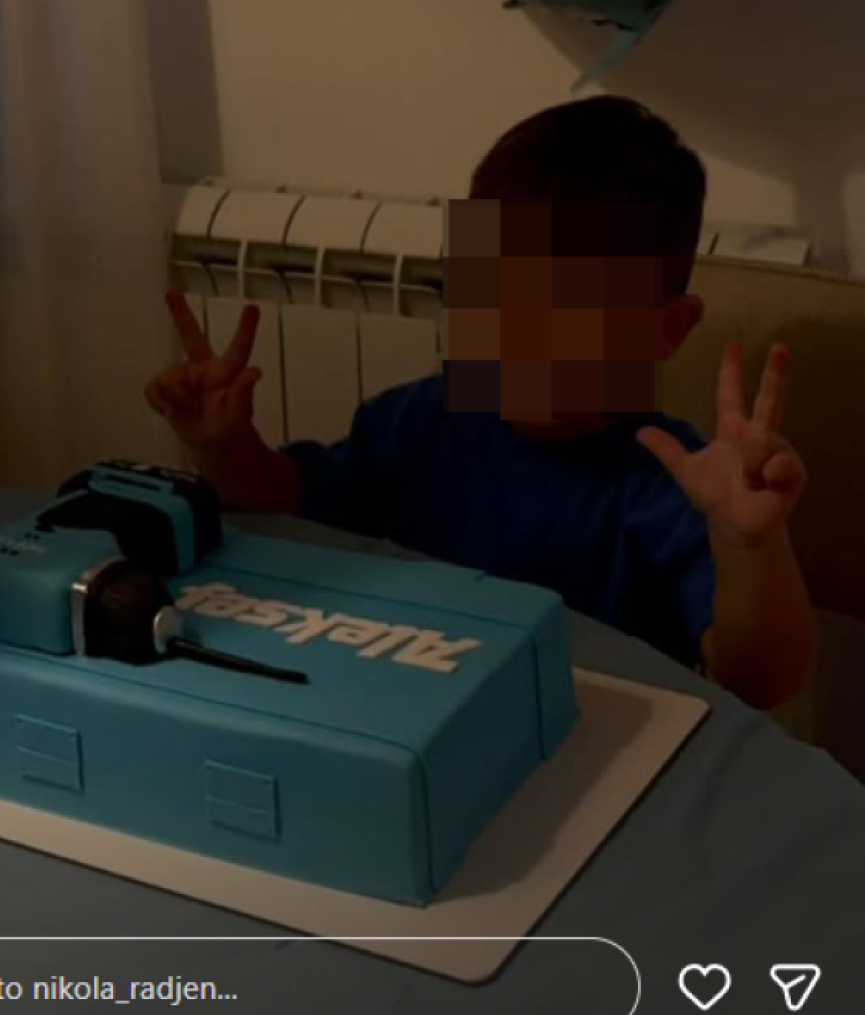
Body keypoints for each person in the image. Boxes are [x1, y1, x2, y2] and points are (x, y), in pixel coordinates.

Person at [146, 97, 815, 710]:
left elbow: (759, 681)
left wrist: (748, 542)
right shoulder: (419, 421)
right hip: (415, 710)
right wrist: (224, 445)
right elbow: (280, 499)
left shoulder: (674, 487)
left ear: (666, 329)